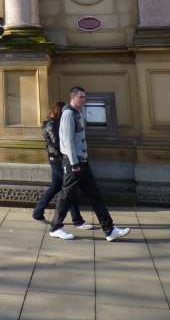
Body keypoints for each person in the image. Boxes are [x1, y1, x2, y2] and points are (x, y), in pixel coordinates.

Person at [49, 86, 130, 242]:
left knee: (95, 196)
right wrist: (74, 163)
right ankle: (55, 227)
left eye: (85, 97)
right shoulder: (68, 114)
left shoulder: (77, 113)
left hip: (82, 161)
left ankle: (110, 230)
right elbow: (68, 142)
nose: (84, 100)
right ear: (73, 97)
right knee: (67, 195)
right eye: (81, 97)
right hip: (74, 162)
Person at [32, 101, 92, 230]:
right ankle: (77, 220)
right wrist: (68, 157)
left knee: (57, 187)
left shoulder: (54, 124)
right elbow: (58, 144)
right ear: (59, 111)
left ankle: (38, 212)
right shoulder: (52, 125)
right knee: (69, 188)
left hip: (57, 159)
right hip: (58, 160)